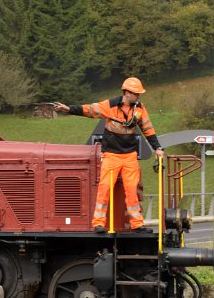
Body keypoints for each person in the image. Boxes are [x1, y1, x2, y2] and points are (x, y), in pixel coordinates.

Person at [53, 78, 164, 233]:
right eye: (136, 93)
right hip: (111, 156)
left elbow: (148, 128)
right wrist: (68, 109)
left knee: (132, 190)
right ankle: (98, 223)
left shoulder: (140, 108)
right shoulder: (109, 106)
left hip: (130, 156)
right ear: (127, 92)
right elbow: (89, 109)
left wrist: (157, 148)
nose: (138, 96)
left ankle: (137, 224)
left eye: (139, 94)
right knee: (104, 189)